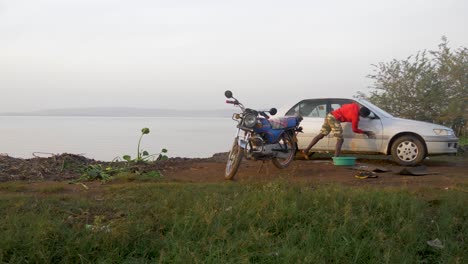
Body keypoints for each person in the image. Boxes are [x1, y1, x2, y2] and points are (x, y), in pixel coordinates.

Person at [300, 102, 375, 159]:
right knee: (340, 140)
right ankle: (336, 159)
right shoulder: (355, 117)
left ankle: (306, 150)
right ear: (362, 115)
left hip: (329, 115)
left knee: (322, 134)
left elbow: (344, 106)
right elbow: (354, 129)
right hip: (334, 118)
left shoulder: (354, 105)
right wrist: (366, 132)